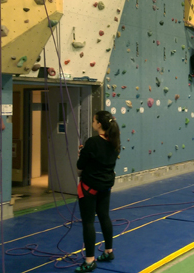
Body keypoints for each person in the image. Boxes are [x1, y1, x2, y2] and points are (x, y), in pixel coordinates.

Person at [75, 111, 121, 272]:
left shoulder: (93, 142)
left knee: (88, 222)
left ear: (99, 124)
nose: (93, 122)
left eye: (94, 120)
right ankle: (108, 251)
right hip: (105, 186)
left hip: (90, 187)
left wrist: (84, 153)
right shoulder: (114, 142)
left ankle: (89, 261)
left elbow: (80, 166)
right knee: (104, 216)